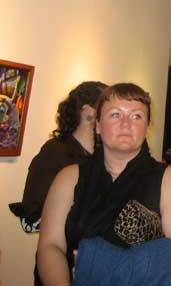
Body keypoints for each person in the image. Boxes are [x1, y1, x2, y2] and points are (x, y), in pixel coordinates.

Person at [36, 83, 171, 285]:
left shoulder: (170, 178)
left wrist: (97, 265)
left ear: (146, 126)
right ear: (98, 125)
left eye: (136, 116)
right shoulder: (69, 177)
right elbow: (50, 246)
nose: (126, 124)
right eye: (115, 115)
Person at [9, 81, 106, 286]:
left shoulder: (106, 156)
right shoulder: (55, 153)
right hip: (60, 264)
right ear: (88, 112)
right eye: (107, 108)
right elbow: (30, 219)